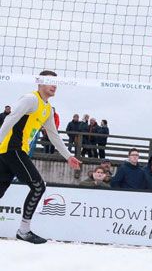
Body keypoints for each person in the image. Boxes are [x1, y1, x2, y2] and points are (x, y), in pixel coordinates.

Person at [0, 70, 82, 244]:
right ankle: (24, 230)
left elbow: (53, 135)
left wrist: (68, 156)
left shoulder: (47, 109)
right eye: (49, 81)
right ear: (39, 82)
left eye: (56, 83)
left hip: (11, 151)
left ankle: (23, 230)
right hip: (11, 149)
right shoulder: (30, 99)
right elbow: (10, 119)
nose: (54, 85)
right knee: (38, 186)